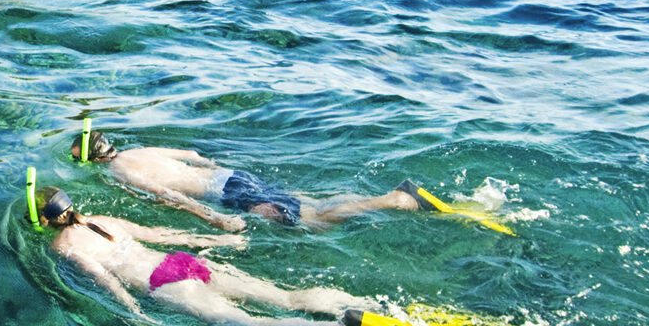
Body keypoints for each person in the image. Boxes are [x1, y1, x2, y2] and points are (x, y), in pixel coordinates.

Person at [29, 185, 378, 326]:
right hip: (179, 262)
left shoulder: (63, 246)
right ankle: (361, 305)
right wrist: (216, 239)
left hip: (161, 284)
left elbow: (103, 278)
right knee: (284, 298)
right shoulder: (104, 220)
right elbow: (162, 234)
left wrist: (134, 313)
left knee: (247, 324)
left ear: (44, 220)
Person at [69, 126, 423, 231]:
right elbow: (192, 156)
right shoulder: (138, 151)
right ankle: (379, 199)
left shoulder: (120, 171)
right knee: (306, 202)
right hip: (231, 175)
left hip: (224, 194)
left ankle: (394, 200)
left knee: (310, 222)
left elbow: (169, 196)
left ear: (90, 159)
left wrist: (215, 218)